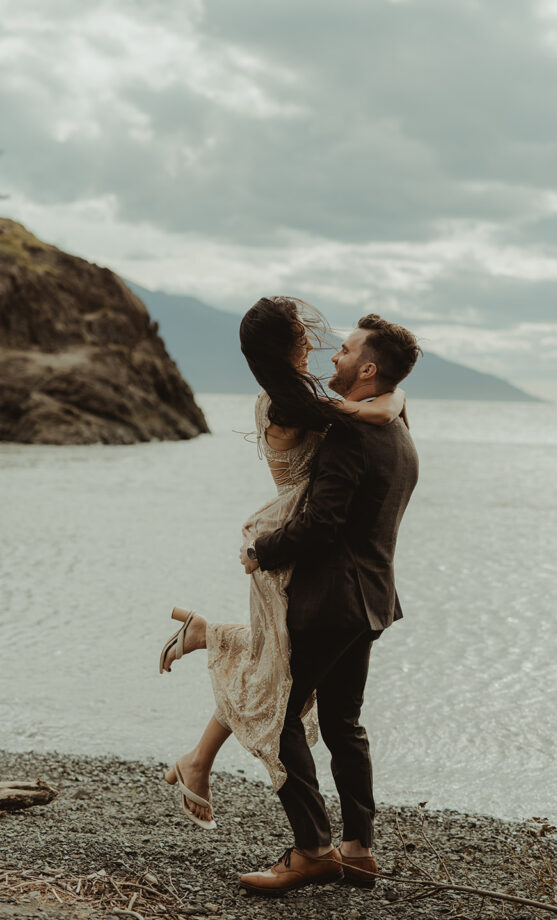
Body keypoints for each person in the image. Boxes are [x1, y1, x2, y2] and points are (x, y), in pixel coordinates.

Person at [158, 298, 407, 831]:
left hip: (297, 539)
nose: (317, 341)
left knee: (275, 673)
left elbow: (374, 410)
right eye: (303, 333)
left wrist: (394, 393)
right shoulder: (292, 405)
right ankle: (308, 836)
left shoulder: (295, 397)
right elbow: (375, 413)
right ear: (289, 343)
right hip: (291, 540)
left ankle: (207, 657)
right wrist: (393, 397)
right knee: (277, 681)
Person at [236, 313, 420, 896]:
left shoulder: (351, 431)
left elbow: (322, 524)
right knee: (343, 723)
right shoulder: (399, 431)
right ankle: (359, 849)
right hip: (373, 598)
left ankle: (312, 849)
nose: (333, 359)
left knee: (278, 716)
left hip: (332, 599)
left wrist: (261, 550)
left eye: (342, 352)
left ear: (368, 368)